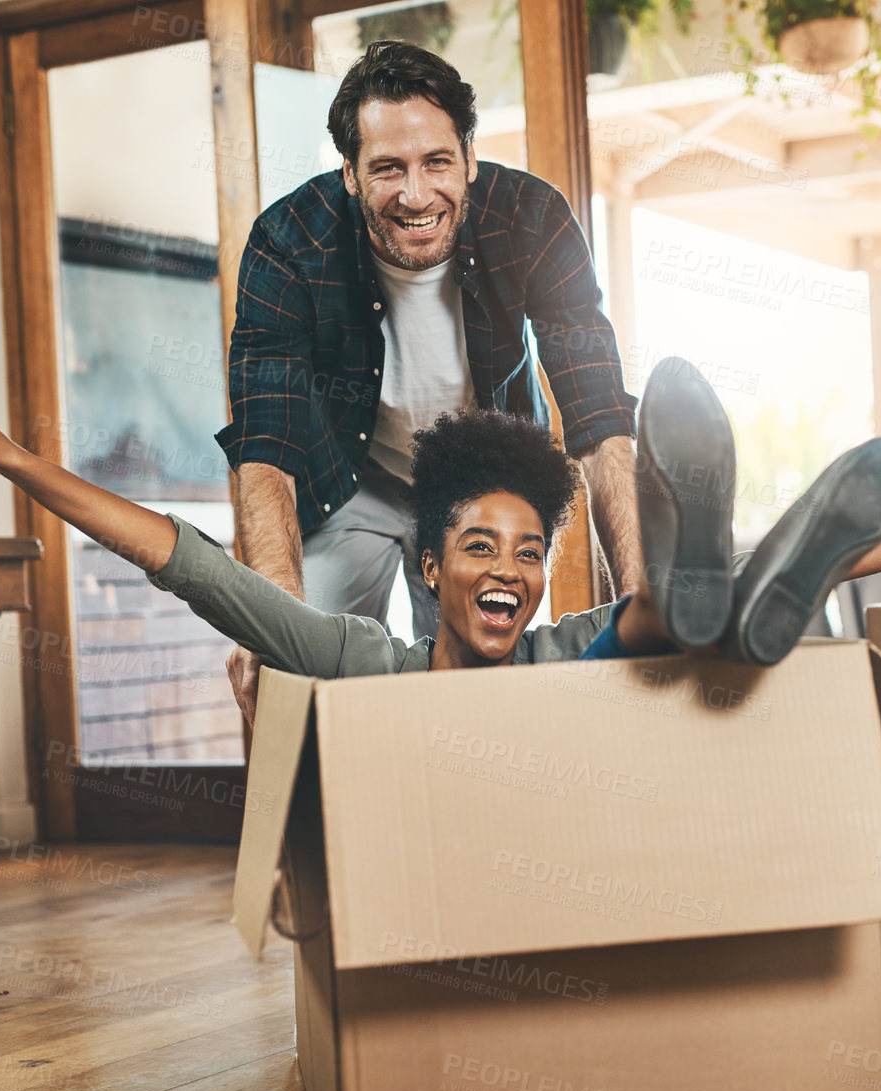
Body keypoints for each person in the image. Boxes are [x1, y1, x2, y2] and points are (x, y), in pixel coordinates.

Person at [0, 345, 881, 679]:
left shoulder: (557, 640)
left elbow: (831, 576)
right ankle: (714, 588)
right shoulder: (356, 661)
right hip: (615, 662)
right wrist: (9, 457)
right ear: (429, 569)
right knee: (682, 621)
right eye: (481, 545)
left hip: (622, 650)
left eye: (529, 554)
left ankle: (708, 582)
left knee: (657, 627)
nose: (510, 571)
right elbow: (188, 561)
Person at [219, 42, 646, 713]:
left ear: (469, 158)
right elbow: (264, 440)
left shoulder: (531, 219)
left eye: (437, 162)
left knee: (476, 693)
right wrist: (268, 614)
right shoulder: (288, 240)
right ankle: (321, 815)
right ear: (351, 174)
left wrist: (641, 600)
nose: (416, 195)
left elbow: (596, 414)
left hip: (473, 485)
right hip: (345, 480)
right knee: (301, 672)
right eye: (387, 168)